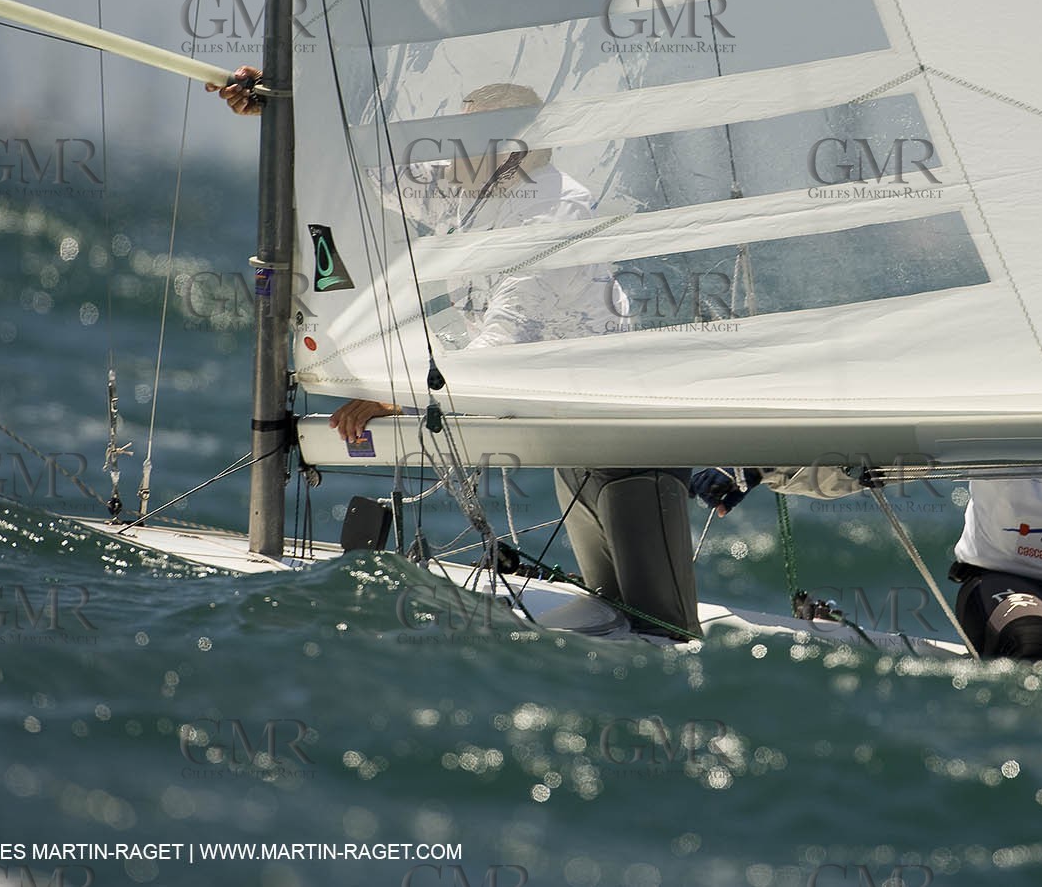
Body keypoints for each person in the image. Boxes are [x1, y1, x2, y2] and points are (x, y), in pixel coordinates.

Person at [213, 68, 701, 641]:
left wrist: (393, 398)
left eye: (476, 139)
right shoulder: (475, 187)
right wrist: (278, 109)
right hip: (577, 447)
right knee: (620, 622)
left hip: (631, 450)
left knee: (662, 635)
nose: (454, 153)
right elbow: (360, 172)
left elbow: (501, 348)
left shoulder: (555, 211)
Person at [691, 467, 1042, 695]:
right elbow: (863, 459)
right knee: (1032, 643)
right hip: (1006, 583)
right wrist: (757, 469)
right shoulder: (1007, 402)